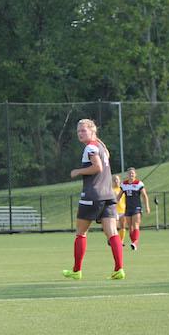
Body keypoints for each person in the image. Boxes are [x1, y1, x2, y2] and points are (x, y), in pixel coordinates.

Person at [62, 119, 124, 280]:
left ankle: (76, 271)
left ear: (92, 131)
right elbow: (107, 156)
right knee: (112, 233)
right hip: (108, 195)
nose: (80, 134)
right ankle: (119, 269)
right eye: (78, 131)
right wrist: (96, 137)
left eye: (83, 130)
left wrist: (78, 171)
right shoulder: (100, 146)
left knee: (81, 233)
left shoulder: (90, 147)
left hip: (92, 195)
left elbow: (98, 167)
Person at [117, 167, 150, 251]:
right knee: (130, 227)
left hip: (137, 207)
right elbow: (119, 196)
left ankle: (135, 242)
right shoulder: (124, 184)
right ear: (127, 175)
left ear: (135, 174)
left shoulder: (139, 183)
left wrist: (147, 207)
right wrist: (113, 204)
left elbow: (144, 195)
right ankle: (133, 243)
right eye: (129, 173)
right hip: (128, 208)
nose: (131, 175)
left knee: (135, 225)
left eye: (132, 173)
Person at [112, 175, 127, 245]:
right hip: (114, 211)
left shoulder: (122, 189)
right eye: (114, 180)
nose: (116, 181)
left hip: (123, 210)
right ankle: (114, 240)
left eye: (117, 179)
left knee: (123, 226)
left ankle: (121, 241)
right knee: (114, 227)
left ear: (119, 180)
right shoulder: (111, 190)